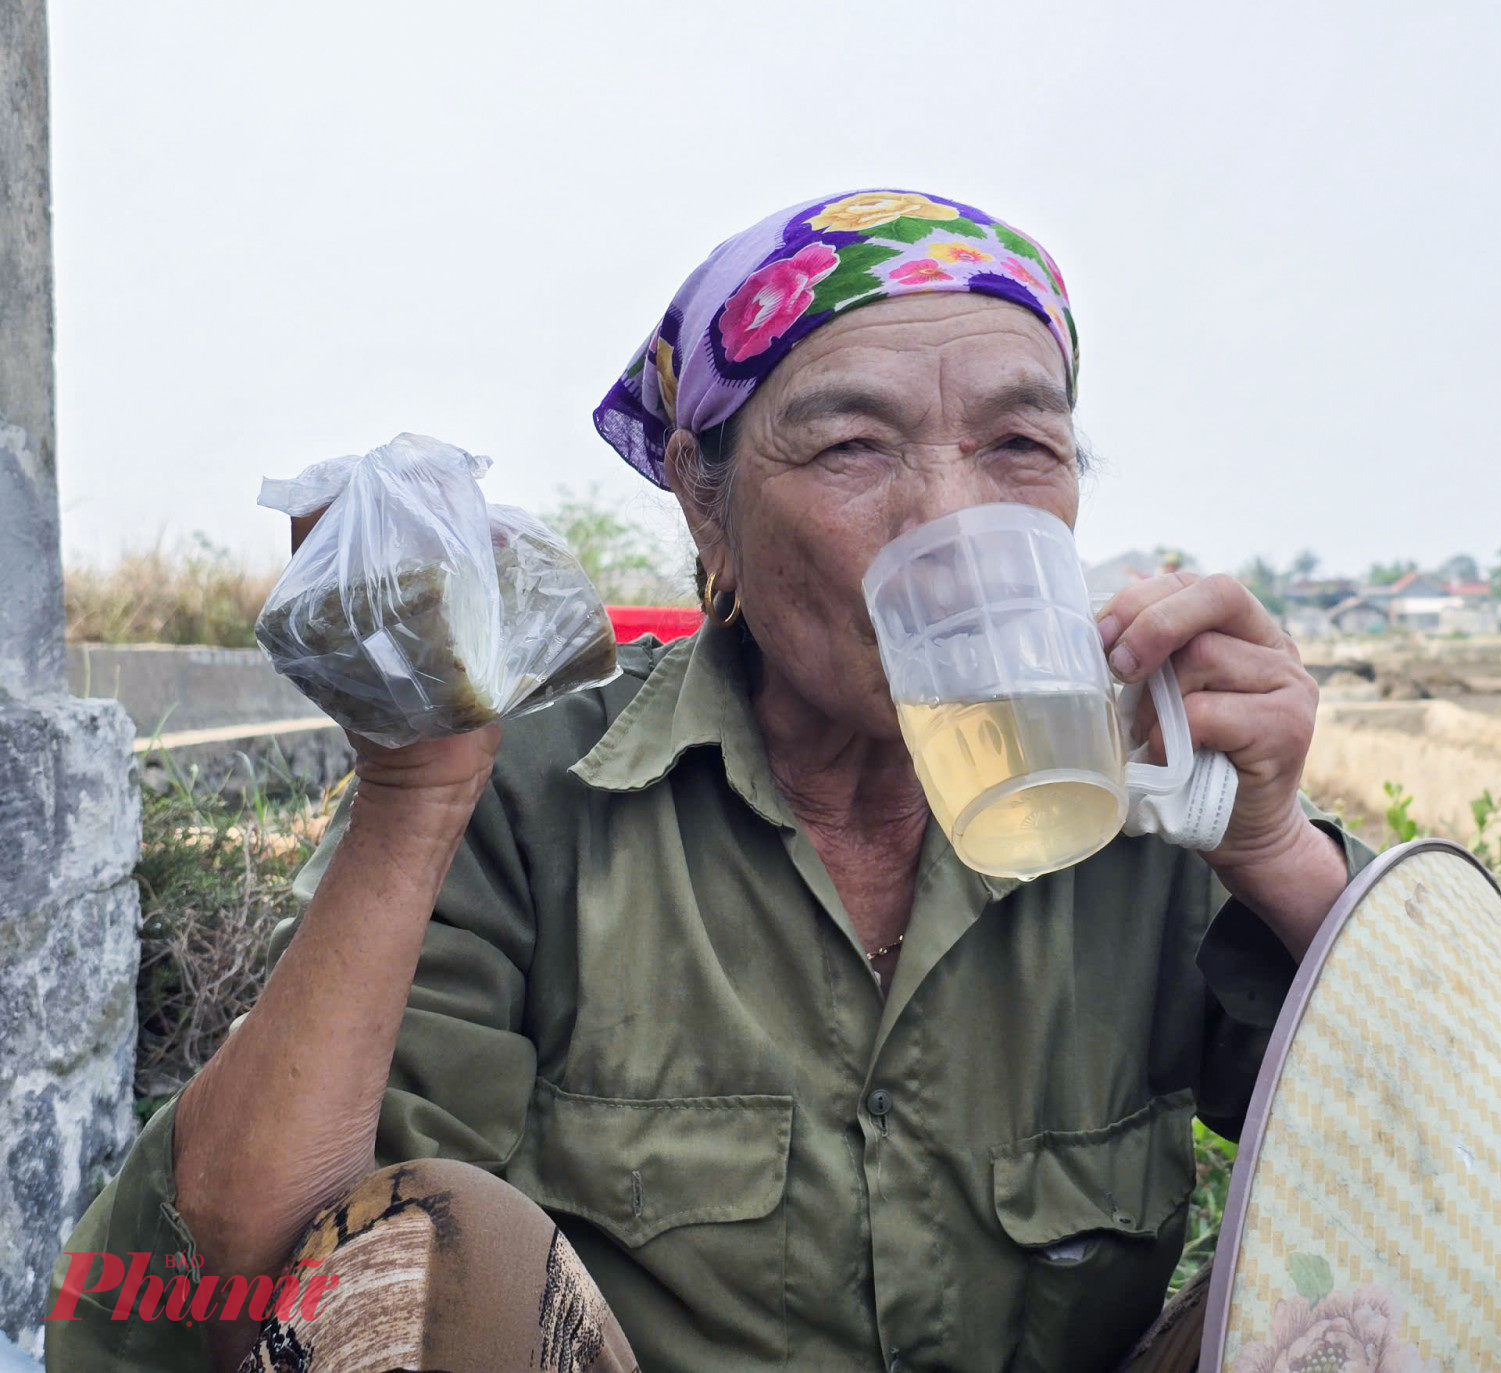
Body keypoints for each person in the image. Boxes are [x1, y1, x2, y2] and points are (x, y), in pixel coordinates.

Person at [48, 189, 1369, 1373]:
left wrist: (1273, 852)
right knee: (437, 1250)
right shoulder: (532, 810)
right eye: (853, 446)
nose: (951, 519)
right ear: (702, 499)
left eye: (1021, 445)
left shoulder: (1142, 812)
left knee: (1371, 1301)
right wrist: (412, 794)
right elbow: (215, 1287)